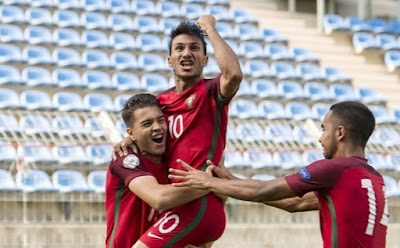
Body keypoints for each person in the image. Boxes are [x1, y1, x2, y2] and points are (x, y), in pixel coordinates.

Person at [170, 101, 389, 248]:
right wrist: (230, 180)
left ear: (340, 133)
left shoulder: (334, 169)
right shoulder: (372, 178)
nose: (320, 138)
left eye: (324, 129)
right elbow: (295, 203)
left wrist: (206, 182)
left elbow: (262, 191)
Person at [113, 15, 243, 247]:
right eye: (179, 48)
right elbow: (146, 127)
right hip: (177, 203)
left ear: (205, 60)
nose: (186, 53)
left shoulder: (210, 92)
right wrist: (129, 138)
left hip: (198, 206)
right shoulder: (160, 102)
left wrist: (209, 29)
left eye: (194, 48)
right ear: (169, 60)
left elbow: (233, 74)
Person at [106, 94, 210, 248]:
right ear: (131, 133)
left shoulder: (174, 161)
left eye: (161, 120)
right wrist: (209, 184)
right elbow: (159, 198)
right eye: (147, 123)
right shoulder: (124, 159)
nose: (157, 127)